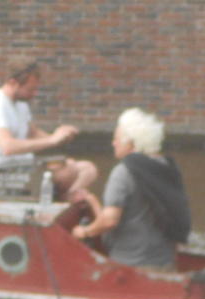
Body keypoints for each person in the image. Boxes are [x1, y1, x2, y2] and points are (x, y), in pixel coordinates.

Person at [72, 108, 190, 270]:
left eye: (117, 139)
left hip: (130, 267)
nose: (113, 143)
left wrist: (84, 232)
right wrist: (92, 201)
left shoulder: (124, 171)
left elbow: (109, 221)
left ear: (132, 143)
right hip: (165, 262)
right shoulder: (165, 166)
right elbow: (128, 217)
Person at [0, 55, 97, 200]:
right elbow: (8, 147)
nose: (34, 94)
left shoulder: (21, 104)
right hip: (2, 173)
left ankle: (68, 200)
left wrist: (59, 137)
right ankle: (64, 201)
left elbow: (32, 132)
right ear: (13, 82)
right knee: (69, 170)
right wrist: (52, 141)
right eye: (30, 89)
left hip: (25, 167)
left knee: (88, 169)